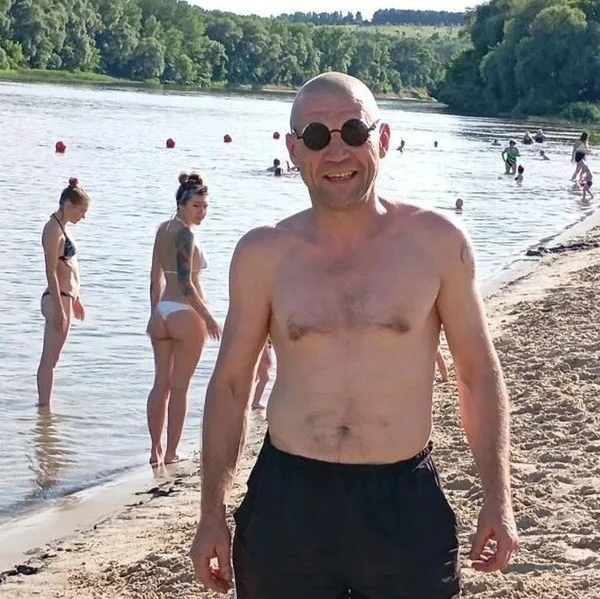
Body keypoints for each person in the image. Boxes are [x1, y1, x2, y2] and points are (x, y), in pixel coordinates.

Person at [190, 72, 518, 598]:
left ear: (382, 139)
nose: (336, 151)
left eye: (353, 132)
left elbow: (478, 373)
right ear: (294, 150)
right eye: (317, 137)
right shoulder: (263, 254)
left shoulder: (437, 243)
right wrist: (211, 513)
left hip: (401, 502)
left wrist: (498, 497)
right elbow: (230, 385)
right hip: (288, 502)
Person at [145, 173, 221, 466]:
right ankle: (171, 453)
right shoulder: (185, 235)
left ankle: (155, 452)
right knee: (179, 386)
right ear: (181, 205)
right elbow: (187, 284)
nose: (202, 212)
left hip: (164, 311)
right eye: (196, 206)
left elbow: (155, 278)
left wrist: (154, 312)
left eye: (205, 206)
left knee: (160, 384)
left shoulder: (162, 229)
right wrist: (209, 318)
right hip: (185, 313)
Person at [37, 178, 90, 407]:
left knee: (54, 359)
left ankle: (45, 410)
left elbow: (67, 266)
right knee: (49, 359)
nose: (83, 217)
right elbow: (51, 271)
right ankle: (44, 411)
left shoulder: (62, 228)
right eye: (81, 211)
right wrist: (60, 309)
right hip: (56, 299)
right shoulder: (52, 229)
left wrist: (76, 298)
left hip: (66, 297)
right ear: (68, 205)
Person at [251, 340, 273, 410]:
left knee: (255, 378)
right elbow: (263, 342)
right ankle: (255, 402)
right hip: (261, 356)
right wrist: (266, 356)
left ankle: (249, 399)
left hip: (257, 354)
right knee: (264, 378)